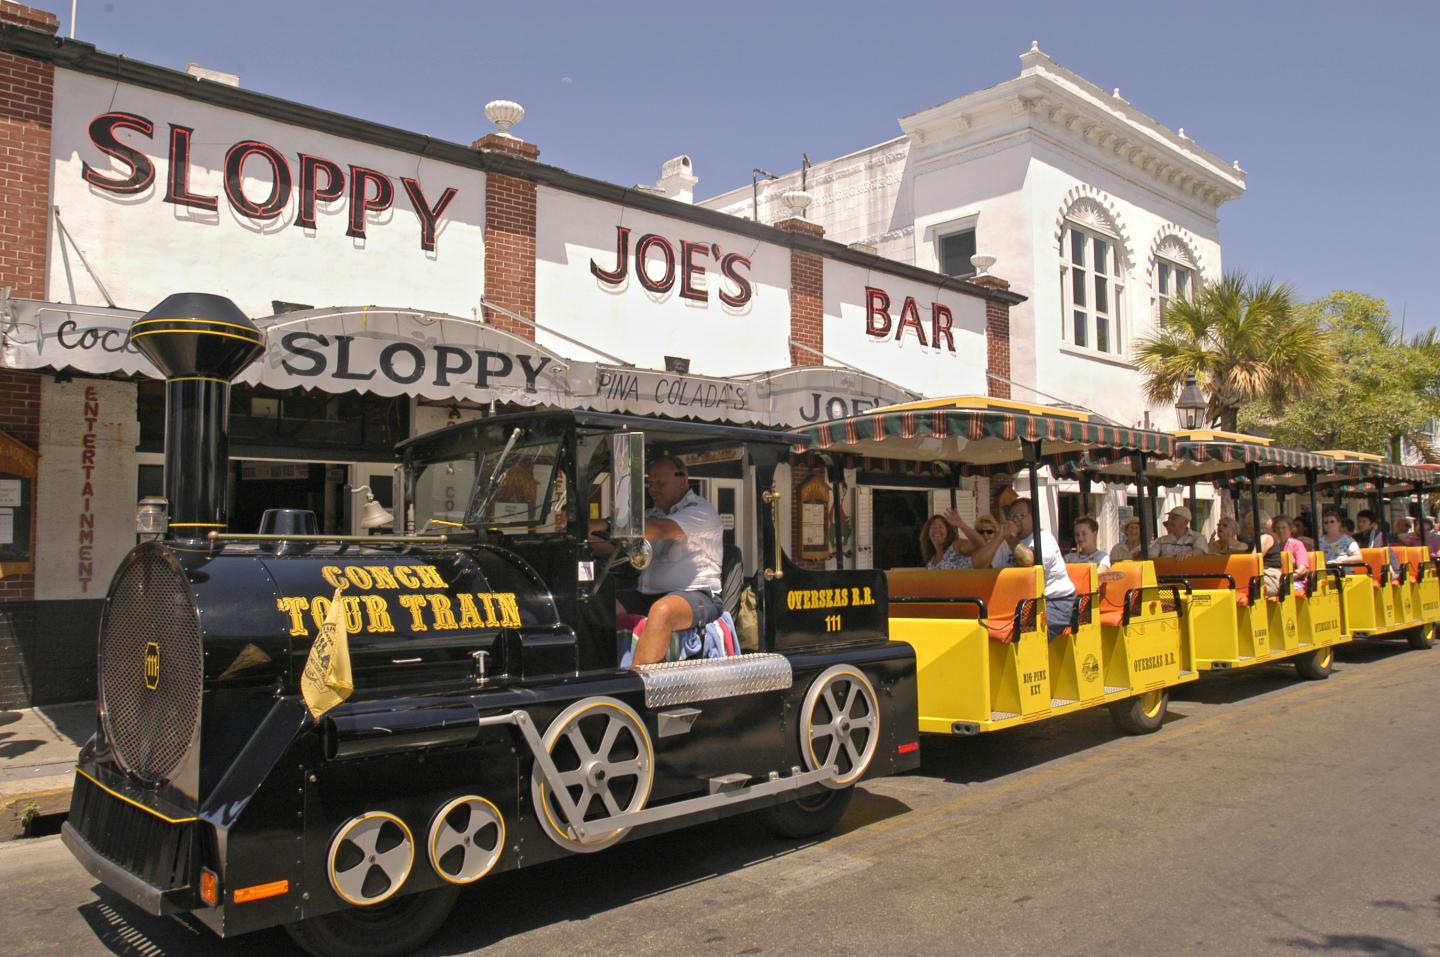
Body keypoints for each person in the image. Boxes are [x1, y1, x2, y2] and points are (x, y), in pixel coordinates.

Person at [592, 454, 723, 666]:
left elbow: (660, 530)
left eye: (660, 483)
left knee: (663, 611)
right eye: (650, 483)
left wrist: (609, 524)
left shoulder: (700, 511)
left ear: (682, 480)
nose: (653, 488)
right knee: (600, 606)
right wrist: (585, 532)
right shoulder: (652, 514)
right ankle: (598, 675)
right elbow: (614, 547)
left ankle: (638, 688)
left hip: (698, 596)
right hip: (648, 594)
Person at [981, 497, 1077, 640]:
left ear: (1034, 518)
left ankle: (1033, 662)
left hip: (1056, 602)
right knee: (980, 626)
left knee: (1026, 632)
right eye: (1012, 516)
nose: (1015, 520)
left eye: (1021, 516)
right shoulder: (1006, 542)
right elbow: (986, 567)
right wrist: (997, 538)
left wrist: (1011, 539)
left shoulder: (1044, 538)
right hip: (1023, 605)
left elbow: (1028, 561)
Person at [1261, 515, 1309, 596]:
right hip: (1276, 578)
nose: (1280, 530)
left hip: (1294, 581)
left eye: (1284, 527)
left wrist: (1288, 578)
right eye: (1278, 528)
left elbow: (1303, 569)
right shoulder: (1274, 545)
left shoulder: (1297, 544)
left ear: (1291, 529)